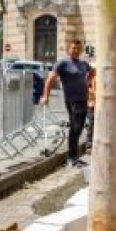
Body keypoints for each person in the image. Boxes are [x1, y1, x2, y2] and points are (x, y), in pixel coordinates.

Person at [40, 39, 90, 167]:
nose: (76, 51)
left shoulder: (83, 63)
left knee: (79, 128)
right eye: (73, 48)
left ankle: (74, 157)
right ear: (68, 49)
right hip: (72, 100)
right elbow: (51, 79)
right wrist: (46, 95)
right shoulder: (63, 63)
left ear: (81, 50)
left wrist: (88, 83)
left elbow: (93, 72)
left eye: (78, 48)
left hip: (84, 99)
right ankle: (71, 158)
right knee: (75, 128)